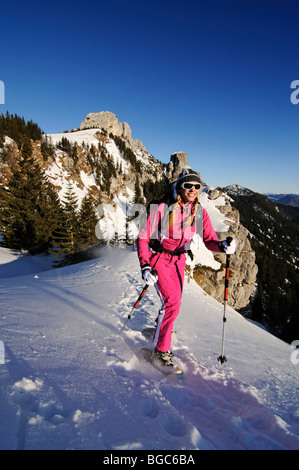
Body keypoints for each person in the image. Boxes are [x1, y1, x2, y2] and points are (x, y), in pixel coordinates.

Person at [136, 167, 236, 371]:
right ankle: (159, 351)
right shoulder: (163, 208)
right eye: (188, 185)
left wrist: (222, 246)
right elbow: (143, 236)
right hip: (160, 259)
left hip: (179, 260)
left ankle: (159, 329)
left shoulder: (198, 211)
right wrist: (145, 265)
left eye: (197, 186)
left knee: (174, 302)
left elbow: (209, 240)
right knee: (171, 302)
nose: (192, 189)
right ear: (180, 186)